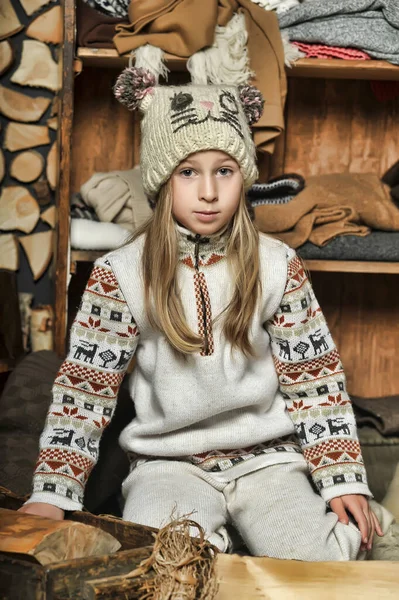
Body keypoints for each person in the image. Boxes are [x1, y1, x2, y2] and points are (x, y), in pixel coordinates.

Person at [20, 67, 385, 561]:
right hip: (166, 464)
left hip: (269, 461)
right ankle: (223, 545)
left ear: (244, 176)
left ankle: (363, 525)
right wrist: (51, 492)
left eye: (225, 171)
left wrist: (341, 477)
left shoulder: (278, 265)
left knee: (320, 566)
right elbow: (87, 389)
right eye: (188, 172)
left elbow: (313, 381)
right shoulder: (120, 273)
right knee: (163, 566)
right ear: (162, 179)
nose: (209, 192)